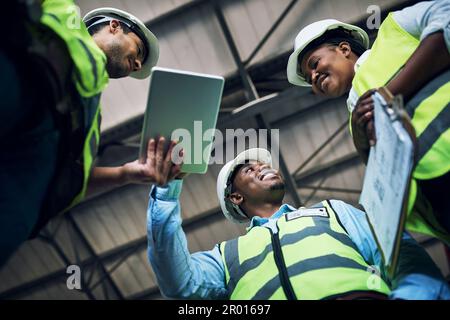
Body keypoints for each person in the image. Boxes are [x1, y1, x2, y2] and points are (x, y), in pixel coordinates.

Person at [147, 148, 450, 300]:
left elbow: (400, 255)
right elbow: (179, 283)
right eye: (249, 169)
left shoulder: (334, 211)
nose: (263, 166)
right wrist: (165, 193)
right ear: (236, 197)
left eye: (264, 163)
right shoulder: (225, 256)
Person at [0, 0, 164, 264]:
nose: (137, 66)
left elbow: (73, 178)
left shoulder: (92, 124)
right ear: (114, 27)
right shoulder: (63, 14)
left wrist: (125, 173)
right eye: (139, 50)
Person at [286, 1, 450, 244]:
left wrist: (389, 95)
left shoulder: (396, 28)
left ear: (343, 48)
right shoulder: (356, 118)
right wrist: (363, 145)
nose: (313, 77)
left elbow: (445, 19)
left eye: (314, 64)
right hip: (438, 201)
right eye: (309, 79)